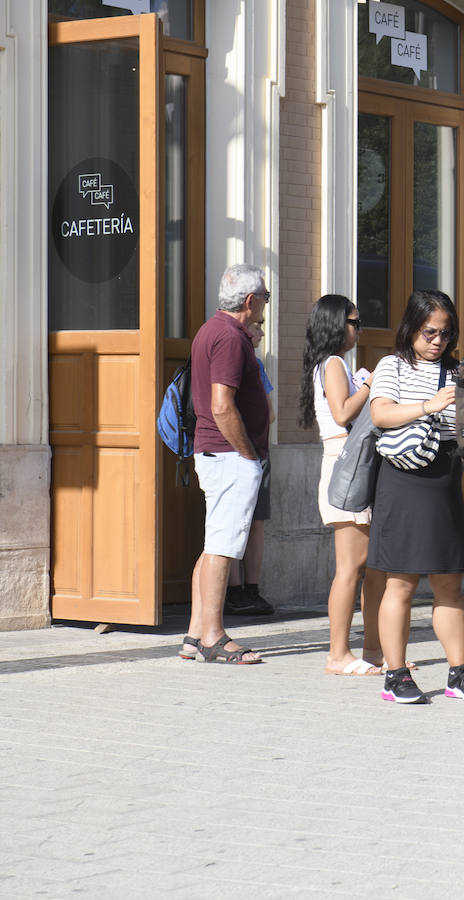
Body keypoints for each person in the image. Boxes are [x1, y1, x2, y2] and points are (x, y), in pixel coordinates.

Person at [368, 289, 464, 704]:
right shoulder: (392, 366)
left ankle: (459, 671)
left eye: (445, 333)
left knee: (449, 581)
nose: (437, 340)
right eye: (429, 332)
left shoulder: (459, 372)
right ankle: (395, 674)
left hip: (444, 476)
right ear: (411, 328)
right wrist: (428, 405)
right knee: (400, 582)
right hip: (402, 479)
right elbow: (380, 414)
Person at [181, 264, 271, 664]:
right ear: (250, 301)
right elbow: (222, 405)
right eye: (265, 298)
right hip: (229, 455)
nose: (265, 305)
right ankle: (213, 636)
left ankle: (195, 633)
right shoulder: (231, 338)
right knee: (222, 546)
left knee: (212, 545)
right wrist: (248, 454)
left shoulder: (210, 330)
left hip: (215, 453)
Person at [299, 294, 386, 675]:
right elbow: (342, 412)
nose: (359, 328)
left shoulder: (332, 363)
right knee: (350, 567)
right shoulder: (333, 363)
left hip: (351, 461)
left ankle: (374, 650)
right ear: (336, 325)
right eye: (353, 321)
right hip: (344, 461)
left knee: (366, 566)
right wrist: (369, 383)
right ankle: (338, 654)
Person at [224, 322, 276, 617]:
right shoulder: (246, 363)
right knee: (241, 522)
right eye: (257, 326)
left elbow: (270, 415)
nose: (262, 333)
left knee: (253, 522)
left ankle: (245, 590)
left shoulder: (255, 365)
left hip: (254, 451)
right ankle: (239, 591)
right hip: (240, 451)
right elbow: (268, 414)